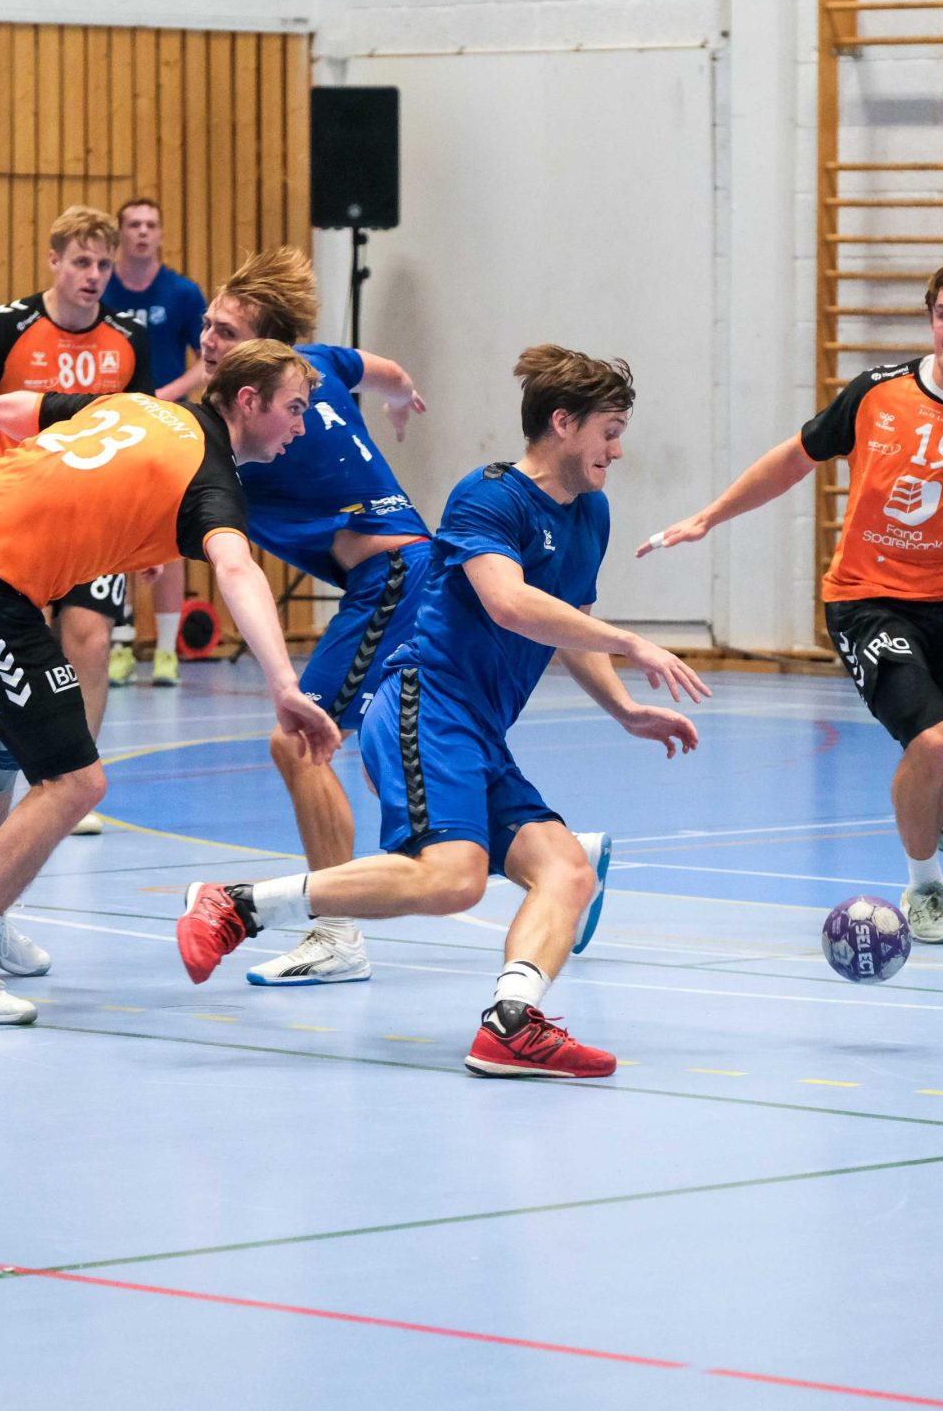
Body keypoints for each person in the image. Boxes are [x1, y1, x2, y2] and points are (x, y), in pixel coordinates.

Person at [176, 345, 708, 1078]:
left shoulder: (591, 512)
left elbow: (568, 621)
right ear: (563, 424)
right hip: (425, 702)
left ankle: (511, 1023)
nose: (617, 450)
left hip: (478, 730)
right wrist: (633, 642)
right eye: (608, 432)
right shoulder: (487, 497)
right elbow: (508, 602)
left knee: (566, 871)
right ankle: (237, 905)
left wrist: (623, 708)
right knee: (454, 877)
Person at [639, 256, 943, 944]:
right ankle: (925, 889)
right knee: (933, 737)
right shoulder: (877, 393)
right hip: (867, 601)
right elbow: (795, 457)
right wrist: (710, 516)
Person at [0, 342, 338, 1026]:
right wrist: (285, 684)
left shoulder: (140, 407)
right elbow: (236, 569)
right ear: (248, 402)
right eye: (295, 408)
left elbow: (12, 409)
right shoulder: (211, 479)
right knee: (76, 782)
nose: (301, 427)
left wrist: (86, 495)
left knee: (0, 744)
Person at [187, 246, 436, 987]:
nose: (208, 340)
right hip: (410, 572)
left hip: (392, 578)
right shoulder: (319, 363)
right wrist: (401, 398)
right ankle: (563, 856)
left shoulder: (248, 423)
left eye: (227, 333)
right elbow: (385, 370)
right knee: (408, 760)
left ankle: (335, 934)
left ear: (267, 356)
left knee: (298, 743)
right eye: (208, 324)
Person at [0, 204, 154, 837]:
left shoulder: (128, 339)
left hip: (95, 517)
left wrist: (149, 533)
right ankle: (25, 773)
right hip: (18, 516)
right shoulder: (9, 325)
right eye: (81, 262)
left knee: (90, 638)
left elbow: (145, 434)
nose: (93, 275)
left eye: (104, 265)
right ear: (54, 261)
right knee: (28, 646)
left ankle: (72, 781)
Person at [102, 197, 210, 689]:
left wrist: (167, 393)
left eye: (151, 224)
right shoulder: (103, 289)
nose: (143, 232)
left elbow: (210, 360)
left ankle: (166, 651)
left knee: (168, 537)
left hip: (168, 425)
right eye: (134, 224)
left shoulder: (182, 293)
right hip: (114, 425)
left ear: (161, 234)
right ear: (120, 234)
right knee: (118, 534)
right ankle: (121, 645)